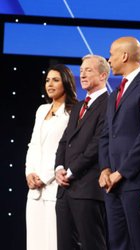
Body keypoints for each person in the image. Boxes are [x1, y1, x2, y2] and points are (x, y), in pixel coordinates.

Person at [98, 36, 140, 250]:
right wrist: (106, 168)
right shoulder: (114, 94)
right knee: (117, 242)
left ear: (124, 55)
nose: (108, 60)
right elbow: (106, 135)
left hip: (136, 181)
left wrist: (122, 172)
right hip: (112, 184)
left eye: (111, 54)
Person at [55, 54, 109, 250]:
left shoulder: (109, 104)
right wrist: (59, 168)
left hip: (88, 190)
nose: (83, 75)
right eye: (81, 71)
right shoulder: (78, 105)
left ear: (103, 75)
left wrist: (71, 171)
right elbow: (64, 141)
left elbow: (97, 145)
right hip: (65, 190)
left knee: (92, 244)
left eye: (88, 70)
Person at [25, 64, 77, 250]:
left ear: (66, 82)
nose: (50, 84)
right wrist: (30, 173)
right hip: (34, 189)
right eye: (47, 80)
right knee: (34, 242)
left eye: (55, 80)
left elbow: (66, 150)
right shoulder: (41, 110)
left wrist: (45, 177)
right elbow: (34, 145)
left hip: (55, 185)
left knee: (53, 241)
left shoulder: (73, 112)